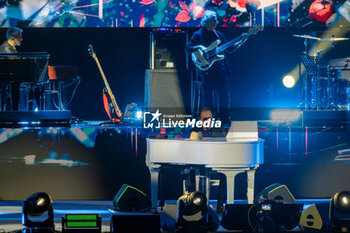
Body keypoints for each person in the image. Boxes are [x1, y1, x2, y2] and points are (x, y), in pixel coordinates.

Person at [186, 10, 249, 125]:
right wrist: (200, 46)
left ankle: (225, 121)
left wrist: (242, 40)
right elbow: (188, 48)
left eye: (215, 21)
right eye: (212, 21)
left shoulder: (219, 35)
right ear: (205, 22)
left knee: (224, 95)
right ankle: (207, 122)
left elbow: (231, 49)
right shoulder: (198, 34)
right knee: (208, 97)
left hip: (221, 69)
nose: (215, 23)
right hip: (207, 70)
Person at [0, 27, 23, 111]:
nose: (22, 38)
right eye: (19, 36)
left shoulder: (10, 48)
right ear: (13, 36)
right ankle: (15, 111)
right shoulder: (6, 49)